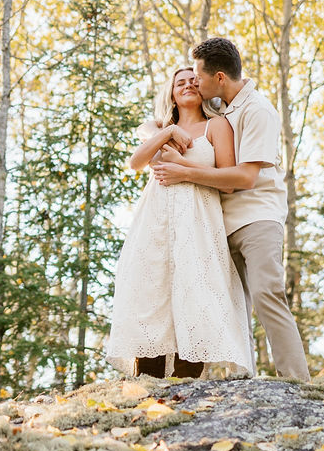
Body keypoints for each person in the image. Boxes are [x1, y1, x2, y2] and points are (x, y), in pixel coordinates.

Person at [152, 38, 311, 381]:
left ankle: (297, 380)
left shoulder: (258, 111)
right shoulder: (219, 109)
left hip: (257, 217)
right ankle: (244, 377)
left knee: (268, 291)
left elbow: (245, 177)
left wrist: (184, 171)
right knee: (230, 304)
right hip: (217, 223)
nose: (194, 82)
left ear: (220, 77)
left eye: (198, 76)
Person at [104, 67, 254, 379]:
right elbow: (134, 163)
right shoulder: (159, 128)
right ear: (171, 93)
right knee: (151, 292)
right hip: (154, 221)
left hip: (198, 218)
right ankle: (147, 386)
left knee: (195, 293)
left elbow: (228, 182)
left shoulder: (217, 125)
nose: (187, 85)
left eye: (193, 81)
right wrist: (168, 133)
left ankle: (185, 387)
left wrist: (182, 164)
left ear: (203, 89)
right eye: (179, 82)